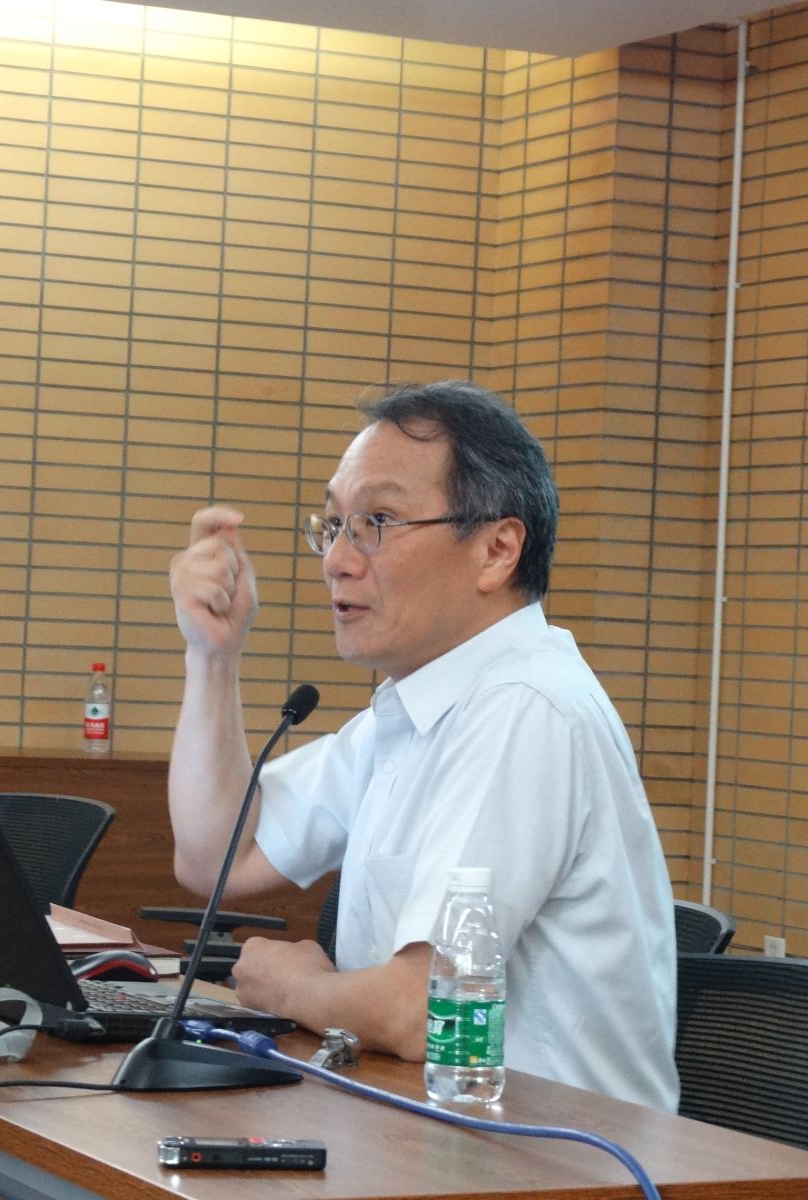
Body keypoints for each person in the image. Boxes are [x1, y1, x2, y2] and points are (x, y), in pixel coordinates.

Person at [166, 380, 678, 1108]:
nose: (337, 559)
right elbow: (217, 855)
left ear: (497, 550)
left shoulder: (526, 707)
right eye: (334, 524)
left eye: (377, 521)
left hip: (556, 1154)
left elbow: (424, 1008)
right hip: (427, 1129)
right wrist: (213, 655)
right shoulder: (410, 712)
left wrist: (292, 987)